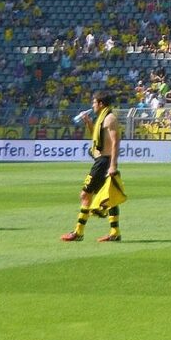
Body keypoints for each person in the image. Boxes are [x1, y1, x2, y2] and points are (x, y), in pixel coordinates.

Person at [62, 90, 122, 242]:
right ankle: (115, 232)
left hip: (104, 162)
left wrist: (113, 166)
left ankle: (78, 232)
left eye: (94, 103)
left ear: (101, 104)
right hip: (101, 161)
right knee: (110, 198)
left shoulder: (110, 119)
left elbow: (116, 143)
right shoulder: (103, 119)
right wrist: (88, 122)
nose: (93, 105)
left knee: (85, 195)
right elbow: (97, 137)